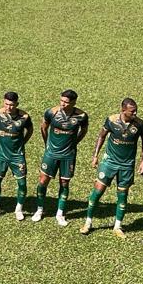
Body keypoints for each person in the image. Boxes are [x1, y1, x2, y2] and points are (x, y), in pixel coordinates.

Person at [81, 98, 143, 238]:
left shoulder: (140, 124)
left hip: (127, 165)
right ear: (123, 110)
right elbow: (101, 136)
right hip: (109, 162)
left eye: (136, 110)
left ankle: (118, 226)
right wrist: (95, 155)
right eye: (132, 111)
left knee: (122, 195)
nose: (135, 113)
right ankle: (88, 222)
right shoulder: (111, 120)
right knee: (98, 191)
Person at [34, 89, 89, 226]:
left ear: (74, 102)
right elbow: (43, 128)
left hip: (68, 155)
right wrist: (47, 144)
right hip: (51, 154)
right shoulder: (51, 112)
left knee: (64, 183)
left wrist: (74, 142)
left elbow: (84, 131)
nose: (63, 104)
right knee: (43, 181)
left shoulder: (81, 116)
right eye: (61, 101)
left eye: (66, 102)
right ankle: (39, 210)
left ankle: (60, 213)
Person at [0, 92, 32, 220]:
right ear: (4, 102)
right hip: (1, 154)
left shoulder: (24, 116)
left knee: (22, 183)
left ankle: (19, 209)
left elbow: (30, 130)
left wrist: (23, 142)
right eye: (7, 104)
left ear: (17, 104)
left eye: (12, 105)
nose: (9, 107)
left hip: (17, 156)